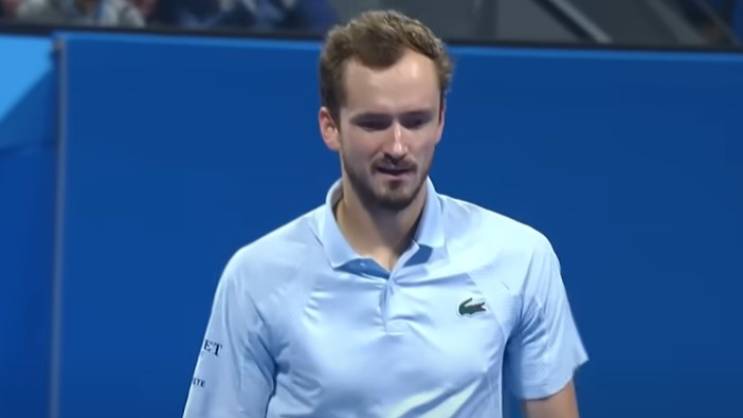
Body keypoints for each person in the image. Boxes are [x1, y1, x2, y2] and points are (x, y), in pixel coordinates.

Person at [182, 9, 588, 418]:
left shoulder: (522, 257)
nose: (397, 146)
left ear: (441, 120)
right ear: (330, 127)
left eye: (415, 121)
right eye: (374, 123)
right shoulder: (255, 276)